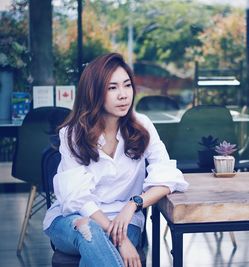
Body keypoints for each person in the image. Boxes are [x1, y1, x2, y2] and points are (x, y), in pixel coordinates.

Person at [43, 53, 188, 267]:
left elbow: (167, 178)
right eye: (112, 88)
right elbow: (77, 198)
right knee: (89, 230)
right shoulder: (73, 133)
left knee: (96, 247)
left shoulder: (142, 126)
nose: (123, 95)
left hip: (126, 220)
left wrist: (133, 204)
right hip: (72, 220)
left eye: (127, 85)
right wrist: (120, 241)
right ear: (94, 92)